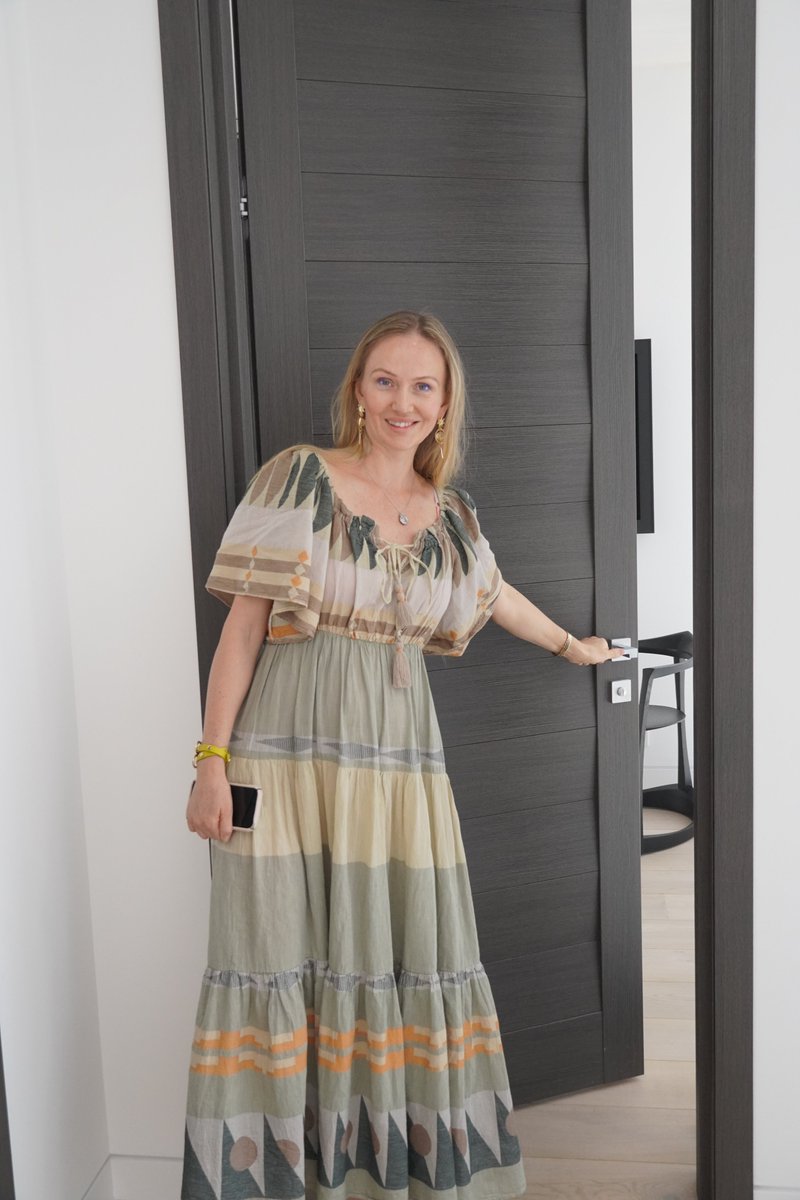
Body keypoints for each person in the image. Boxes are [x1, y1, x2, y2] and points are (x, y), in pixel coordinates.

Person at [181, 310, 624, 1200]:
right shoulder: (299, 478)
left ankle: (386, 1175)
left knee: (408, 947)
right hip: (284, 763)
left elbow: (496, 595)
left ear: (445, 403)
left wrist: (572, 646)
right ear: (358, 388)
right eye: (385, 380)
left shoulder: (450, 516)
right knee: (272, 948)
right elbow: (243, 631)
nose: (402, 401)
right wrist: (210, 760)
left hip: (399, 770)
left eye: (424, 385)